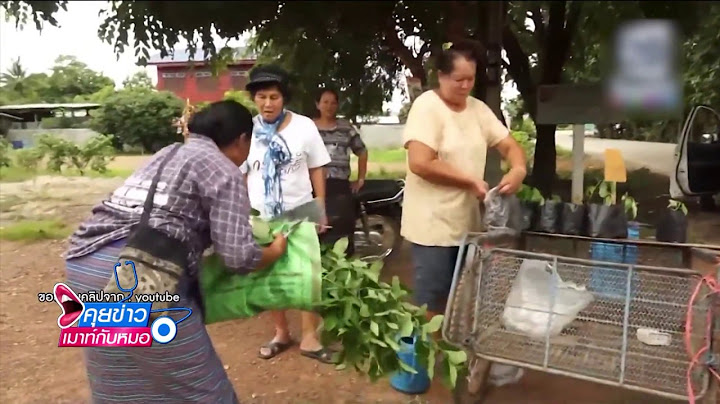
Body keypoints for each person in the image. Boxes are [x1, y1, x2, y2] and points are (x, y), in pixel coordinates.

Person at [63, 100, 288, 403]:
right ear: (242, 140)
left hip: (85, 263)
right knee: (203, 391)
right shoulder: (224, 170)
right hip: (138, 276)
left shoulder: (167, 153)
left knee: (122, 381)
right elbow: (238, 257)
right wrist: (274, 250)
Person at [402, 42, 527, 321]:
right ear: (441, 76)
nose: (465, 85)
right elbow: (421, 162)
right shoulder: (427, 108)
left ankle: (450, 357)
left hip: (467, 225)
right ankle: (422, 362)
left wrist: (517, 169)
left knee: (461, 298)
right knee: (430, 304)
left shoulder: (478, 110)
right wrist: (470, 182)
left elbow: (509, 146)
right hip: (432, 226)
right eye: (459, 79)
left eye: (471, 79)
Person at [241, 64, 337, 364]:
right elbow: (242, 172)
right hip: (261, 215)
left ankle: (310, 338)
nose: (268, 104)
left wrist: (320, 204)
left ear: (284, 98)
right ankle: (281, 333)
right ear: (254, 99)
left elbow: (317, 166)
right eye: (261, 97)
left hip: (300, 210)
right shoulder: (247, 131)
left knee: (307, 275)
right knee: (271, 276)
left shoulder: (304, 126)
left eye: (274, 97)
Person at [313, 87, 369, 256]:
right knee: (316, 233)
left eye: (333, 103)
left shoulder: (345, 128)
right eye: (325, 102)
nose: (329, 106)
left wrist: (360, 179)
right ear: (317, 104)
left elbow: (362, 151)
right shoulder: (308, 128)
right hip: (313, 187)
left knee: (342, 234)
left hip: (340, 187)